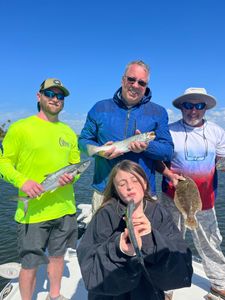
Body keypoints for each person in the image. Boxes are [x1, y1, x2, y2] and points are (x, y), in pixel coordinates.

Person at [0, 78, 80, 300]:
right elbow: (3, 163)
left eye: (60, 96)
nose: (55, 99)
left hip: (65, 208)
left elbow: (76, 165)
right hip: (33, 211)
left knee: (58, 257)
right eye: (50, 94)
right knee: (30, 263)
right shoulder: (20, 128)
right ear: (39, 96)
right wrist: (22, 182)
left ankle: (54, 295)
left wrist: (73, 178)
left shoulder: (69, 132)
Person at [77, 160, 193, 300]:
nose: (130, 187)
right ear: (115, 189)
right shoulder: (105, 214)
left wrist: (151, 240)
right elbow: (90, 271)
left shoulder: (159, 213)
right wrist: (119, 249)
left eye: (135, 180)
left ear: (144, 184)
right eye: (122, 184)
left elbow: (181, 272)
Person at [78, 60, 173, 214]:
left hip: (143, 192)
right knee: (103, 238)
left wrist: (146, 147)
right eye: (131, 79)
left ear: (146, 87)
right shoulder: (99, 108)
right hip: (105, 191)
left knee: (143, 237)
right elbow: (83, 141)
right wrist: (99, 151)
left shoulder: (158, 112)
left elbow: (167, 151)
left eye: (141, 83)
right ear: (123, 80)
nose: (135, 85)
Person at [160, 87, 225, 299]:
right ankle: (166, 287)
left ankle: (219, 283)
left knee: (209, 242)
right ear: (181, 108)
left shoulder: (217, 131)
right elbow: (157, 159)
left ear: (205, 108)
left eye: (199, 105)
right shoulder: (168, 131)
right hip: (173, 197)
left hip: (205, 200)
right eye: (188, 105)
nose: (193, 110)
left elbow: (221, 161)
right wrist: (168, 173)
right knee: (170, 241)